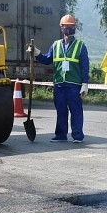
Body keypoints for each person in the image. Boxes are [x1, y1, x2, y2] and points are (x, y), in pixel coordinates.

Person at [27, 14, 90, 143]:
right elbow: (46, 60)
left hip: (74, 84)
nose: (68, 29)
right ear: (61, 28)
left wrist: (85, 83)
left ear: (74, 28)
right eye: (65, 26)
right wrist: (36, 52)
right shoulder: (56, 45)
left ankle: (77, 136)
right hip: (59, 84)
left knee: (76, 110)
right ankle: (61, 135)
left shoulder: (80, 46)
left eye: (70, 27)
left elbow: (85, 66)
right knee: (60, 110)